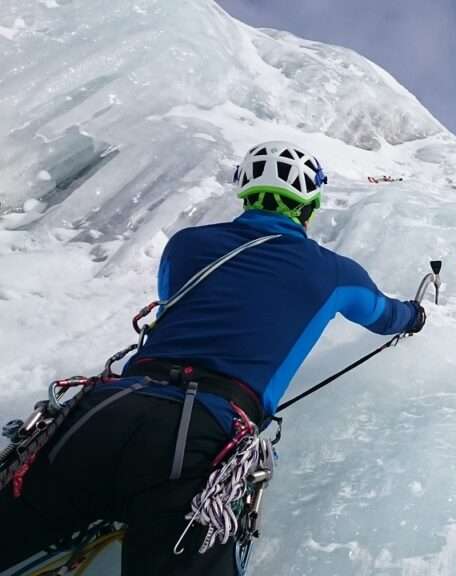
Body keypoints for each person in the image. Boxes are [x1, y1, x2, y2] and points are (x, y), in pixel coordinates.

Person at [0, 141, 426, 575]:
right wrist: (416, 315)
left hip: (104, 410)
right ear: (310, 206)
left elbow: (173, 300)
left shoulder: (188, 245)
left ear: (243, 191)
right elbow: (382, 314)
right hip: (205, 434)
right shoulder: (335, 272)